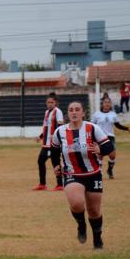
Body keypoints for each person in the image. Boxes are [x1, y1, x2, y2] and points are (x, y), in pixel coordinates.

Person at [50, 101, 114, 249]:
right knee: (77, 204)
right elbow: (54, 151)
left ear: (83, 113)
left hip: (93, 174)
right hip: (72, 173)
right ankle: (81, 225)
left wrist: (101, 150)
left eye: (77, 109)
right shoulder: (60, 132)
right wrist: (56, 166)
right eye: (71, 110)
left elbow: (109, 146)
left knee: (94, 210)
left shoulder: (92, 128)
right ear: (68, 113)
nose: (74, 112)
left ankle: (97, 238)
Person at [91, 97, 130, 179]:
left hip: (110, 137)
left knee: (112, 155)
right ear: (102, 104)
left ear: (110, 104)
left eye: (108, 102)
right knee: (100, 155)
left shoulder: (113, 114)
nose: (107, 104)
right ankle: (98, 172)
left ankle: (109, 170)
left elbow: (117, 125)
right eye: (105, 102)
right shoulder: (96, 114)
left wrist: (127, 128)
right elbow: (92, 126)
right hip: (99, 136)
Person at [34, 93, 64, 191]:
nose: (49, 104)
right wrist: (40, 136)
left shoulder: (58, 112)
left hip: (53, 143)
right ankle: (42, 184)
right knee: (40, 161)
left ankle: (60, 185)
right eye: (48, 102)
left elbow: (60, 126)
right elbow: (46, 128)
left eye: (51, 102)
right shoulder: (47, 112)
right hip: (46, 144)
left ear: (55, 103)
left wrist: (56, 136)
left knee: (55, 163)